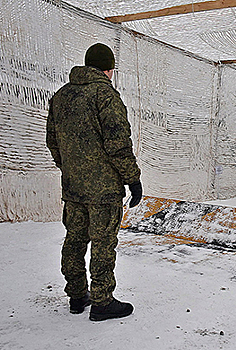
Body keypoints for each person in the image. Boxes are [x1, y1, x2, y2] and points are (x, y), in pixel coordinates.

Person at [46, 43, 143, 321]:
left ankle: (77, 296)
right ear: (108, 69)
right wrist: (132, 179)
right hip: (103, 190)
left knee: (74, 239)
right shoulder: (105, 95)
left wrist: (70, 169)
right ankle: (102, 302)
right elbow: (118, 143)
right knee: (102, 243)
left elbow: (53, 141)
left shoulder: (61, 96)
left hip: (73, 187)